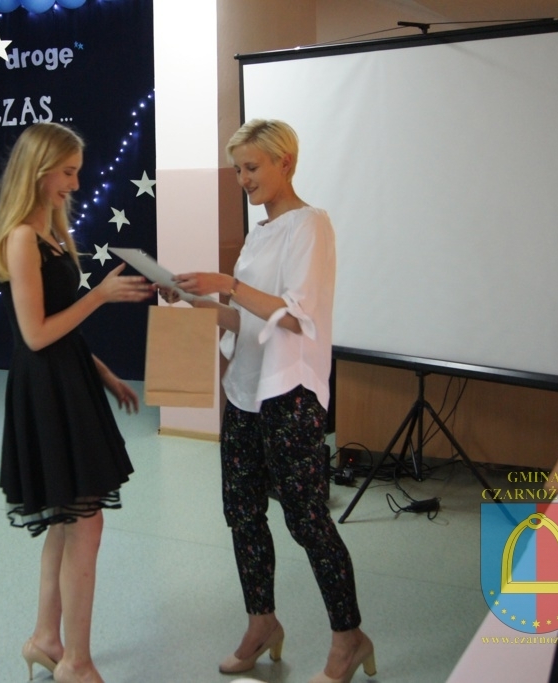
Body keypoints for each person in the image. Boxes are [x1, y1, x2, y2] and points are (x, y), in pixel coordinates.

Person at [165, 119, 376, 683]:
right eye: (238, 169)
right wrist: (193, 297)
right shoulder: (260, 232)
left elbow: (296, 317)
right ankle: (262, 622)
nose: (243, 179)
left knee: (308, 521)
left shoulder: (311, 225)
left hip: (291, 395)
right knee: (242, 514)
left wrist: (229, 284)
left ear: (286, 162)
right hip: (245, 392)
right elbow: (246, 320)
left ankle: (349, 637)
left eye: (252, 167)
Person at [0, 122, 153, 683]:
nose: (75, 184)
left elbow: (60, 328)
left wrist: (102, 373)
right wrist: (100, 295)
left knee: (68, 522)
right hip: (47, 390)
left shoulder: (51, 233)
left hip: (68, 380)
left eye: (77, 172)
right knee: (84, 523)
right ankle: (75, 662)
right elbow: (34, 335)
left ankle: (46, 640)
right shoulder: (21, 239)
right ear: (38, 171)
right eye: (68, 172)